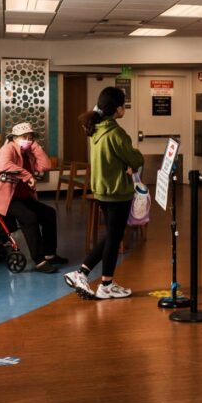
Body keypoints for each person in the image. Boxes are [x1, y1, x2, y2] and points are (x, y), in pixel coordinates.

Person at [64, 87, 144, 301]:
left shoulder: (95, 129)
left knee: (112, 236)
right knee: (114, 238)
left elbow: (112, 158)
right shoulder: (116, 133)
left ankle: (82, 273)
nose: (124, 108)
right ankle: (106, 285)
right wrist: (134, 158)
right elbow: (136, 159)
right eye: (123, 104)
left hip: (102, 190)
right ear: (117, 108)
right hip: (117, 192)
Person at [0, 122, 65, 274]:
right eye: (24, 137)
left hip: (22, 196)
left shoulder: (28, 152)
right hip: (6, 198)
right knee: (29, 218)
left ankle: (50, 255)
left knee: (49, 213)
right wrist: (27, 175)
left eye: (30, 137)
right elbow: (4, 165)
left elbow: (46, 165)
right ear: (14, 138)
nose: (28, 140)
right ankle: (39, 260)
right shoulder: (8, 148)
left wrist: (35, 146)